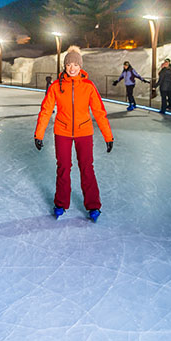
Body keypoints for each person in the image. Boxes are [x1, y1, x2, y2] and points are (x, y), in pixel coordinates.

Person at [34, 46, 113, 222]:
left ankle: (93, 205)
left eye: (75, 64)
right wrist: (38, 134)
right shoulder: (56, 86)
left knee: (86, 168)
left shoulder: (88, 86)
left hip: (84, 132)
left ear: (80, 66)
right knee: (63, 168)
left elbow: (99, 112)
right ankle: (61, 203)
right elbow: (46, 110)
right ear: (65, 66)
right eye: (69, 64)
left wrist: (108, 136)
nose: (72, 68)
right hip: (62, 132)